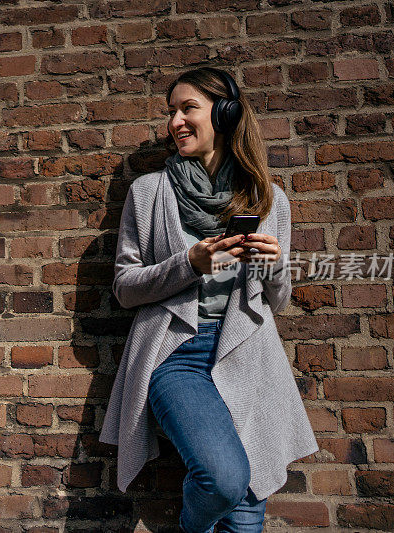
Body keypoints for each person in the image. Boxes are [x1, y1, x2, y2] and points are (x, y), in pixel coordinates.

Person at [98, 67, 319, 533]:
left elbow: (274, 303)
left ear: (225, 114)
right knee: (223, 479)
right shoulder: (149, 192)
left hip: (246, 352)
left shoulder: (268, 198)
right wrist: (190, 263)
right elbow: (124, 286)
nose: (175, 122)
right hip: (177, 354)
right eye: (171, 112)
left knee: (244, 512)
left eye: (187, 109)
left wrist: (272, 265)